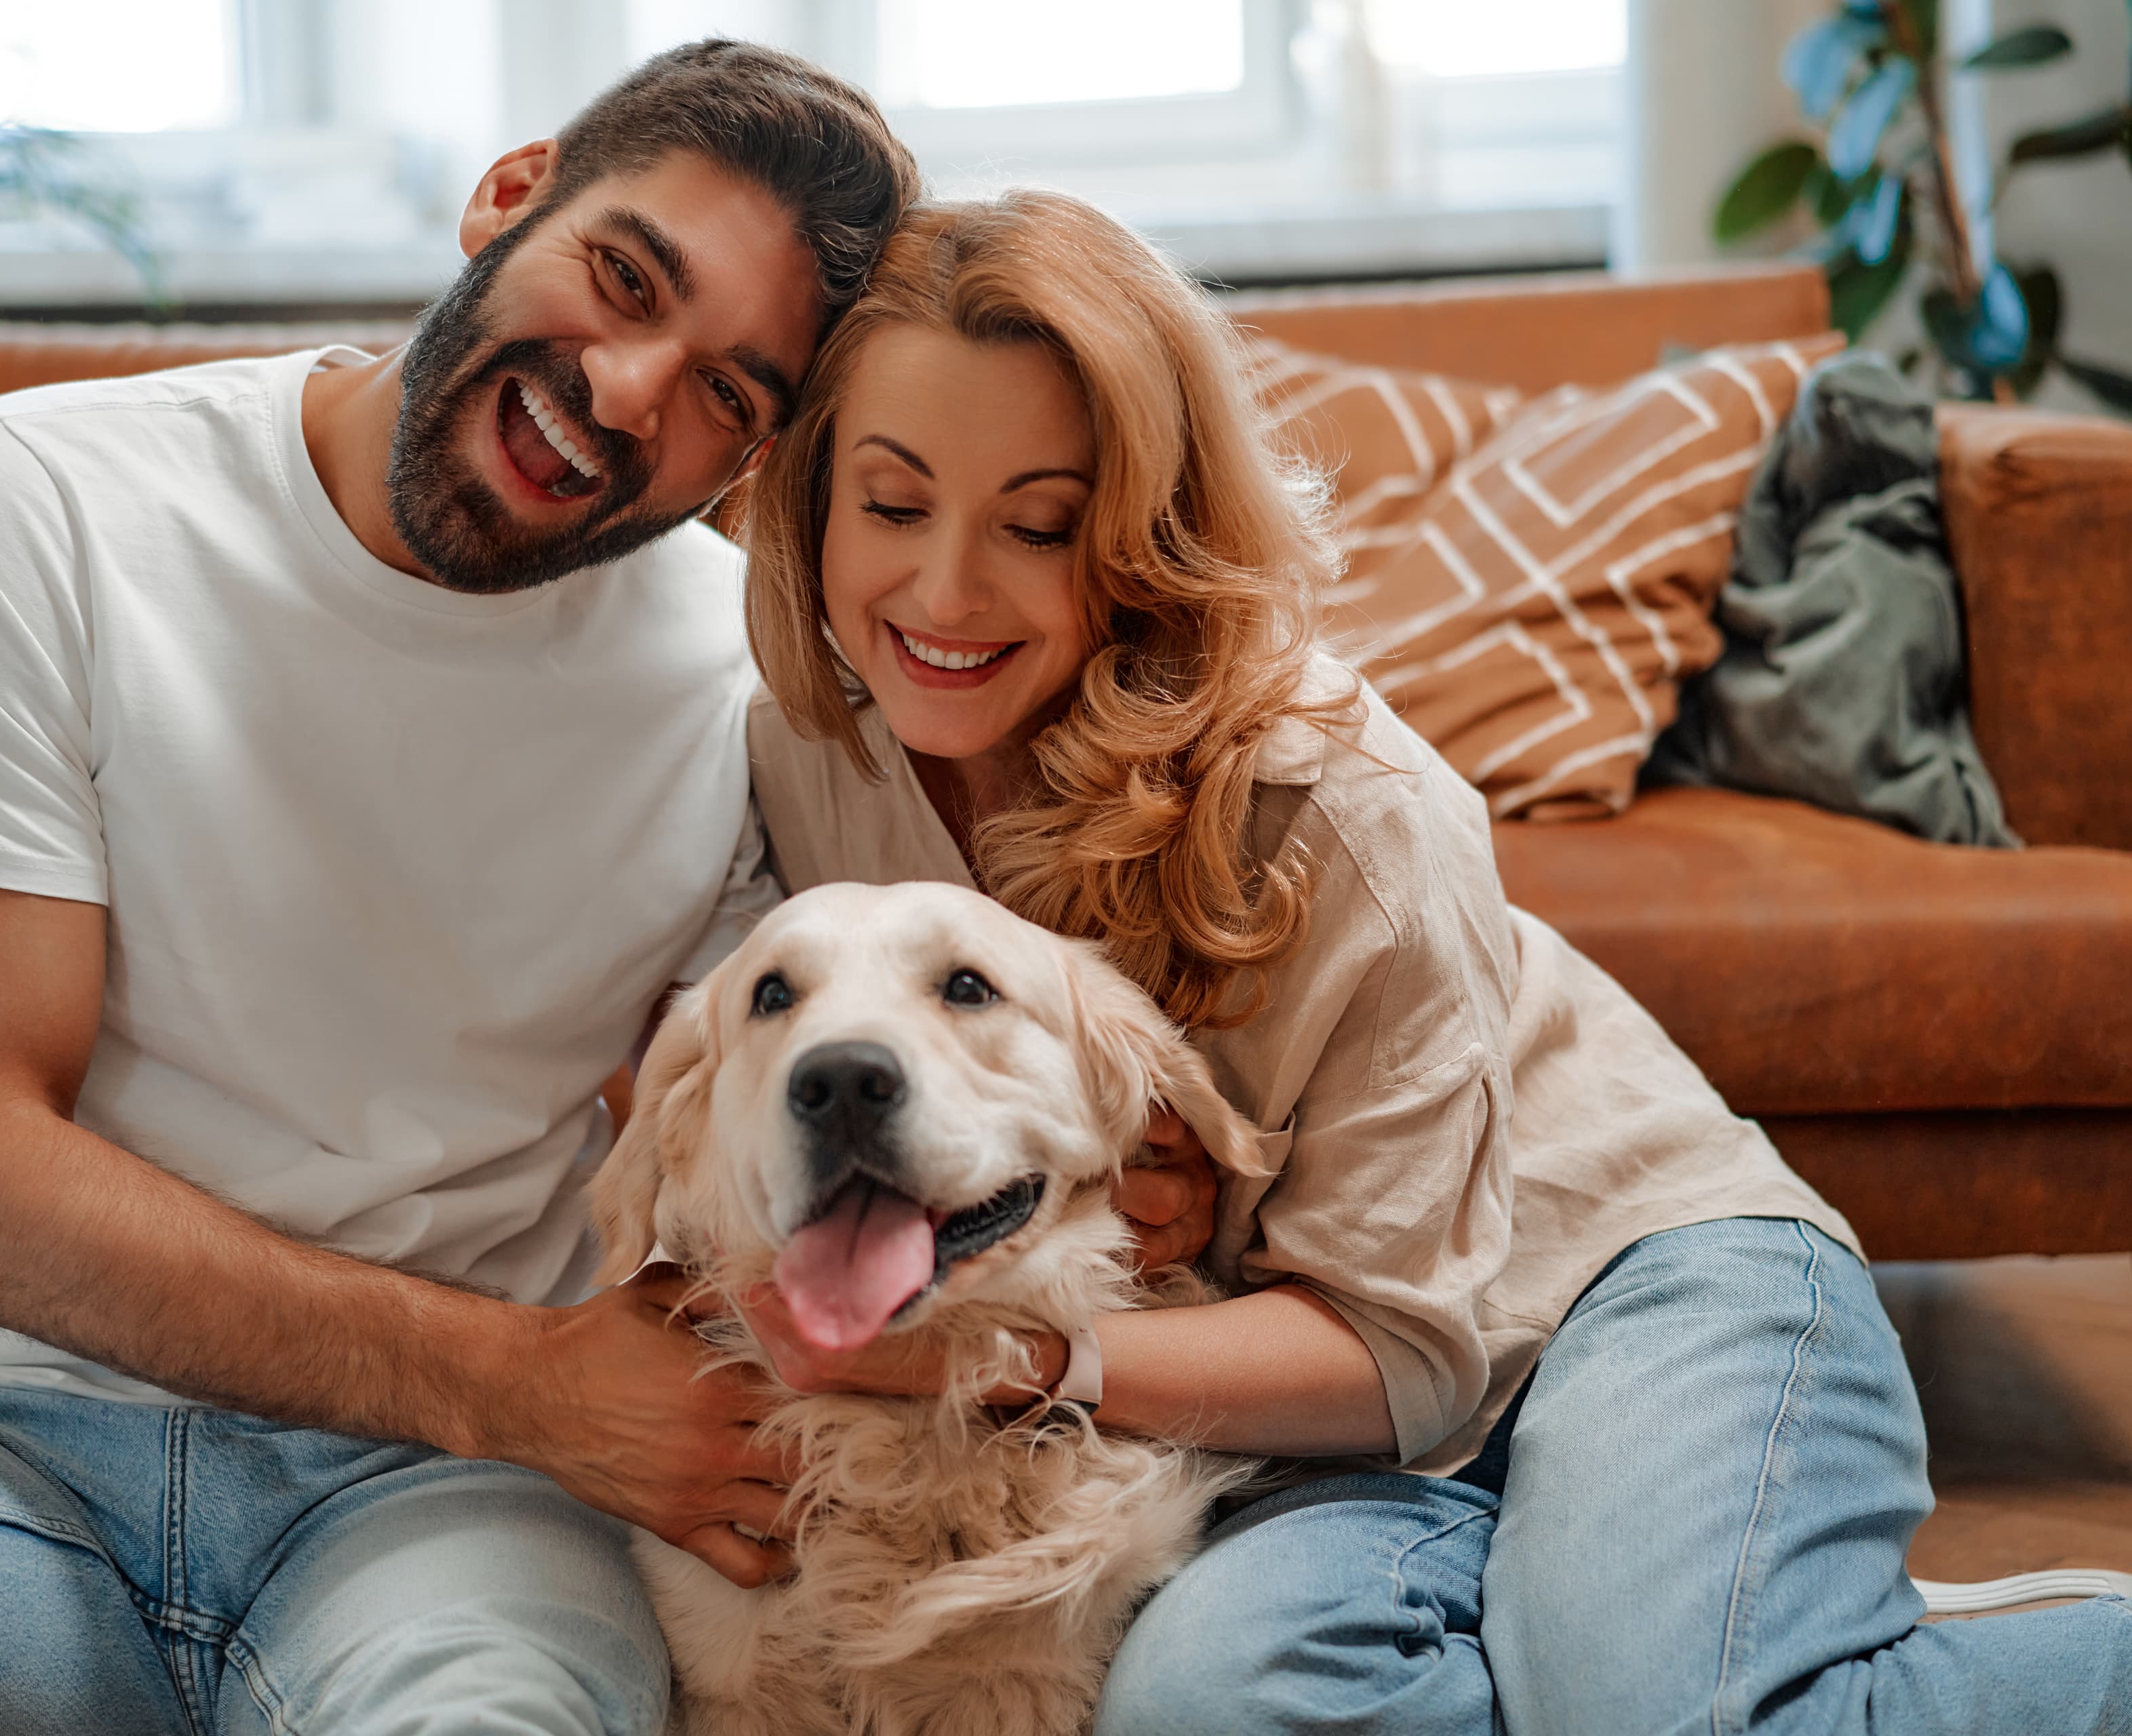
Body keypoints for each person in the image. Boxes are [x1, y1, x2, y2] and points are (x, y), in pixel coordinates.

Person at [0, 41, 929, 1736]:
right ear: (512, 192)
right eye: (625, 275)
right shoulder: (26, 504)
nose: (633, 388)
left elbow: (762, 1121)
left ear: (751, 467)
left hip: (443, 1521)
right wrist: (527, 1385)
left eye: (730, 394)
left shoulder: (743, 687)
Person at [728, 190, 2132, 1735]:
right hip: (1293, 1426)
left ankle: (1796, 1656)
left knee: (1670, 1714)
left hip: (1614, 1278)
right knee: (1207, 1700)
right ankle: (1602, 1633)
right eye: (894, 503)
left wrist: (1020, 1352)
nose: (941, 593)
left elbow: (1404, 1345)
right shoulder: (803, 753)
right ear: (815, 505)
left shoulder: (1349, 805)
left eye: (1038, 525)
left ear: (1141, 539)